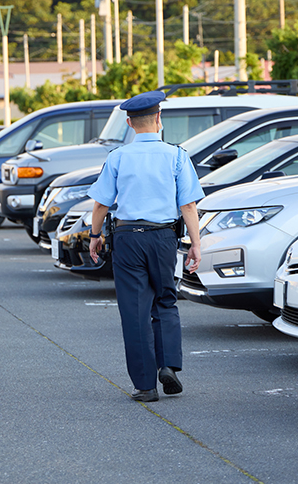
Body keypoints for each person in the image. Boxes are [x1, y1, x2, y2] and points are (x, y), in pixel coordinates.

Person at [87, 91, 204, 403]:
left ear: (129, 123)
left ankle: (145, 385)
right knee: (166, 301)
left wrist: (94, 236)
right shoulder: (177, 156)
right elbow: (189, 205)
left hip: (127, 239)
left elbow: (100, 205)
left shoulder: (118, 157)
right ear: (158, 119)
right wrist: (195, 243)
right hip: (163, 237)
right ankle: (168, 367)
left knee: (135, 311)